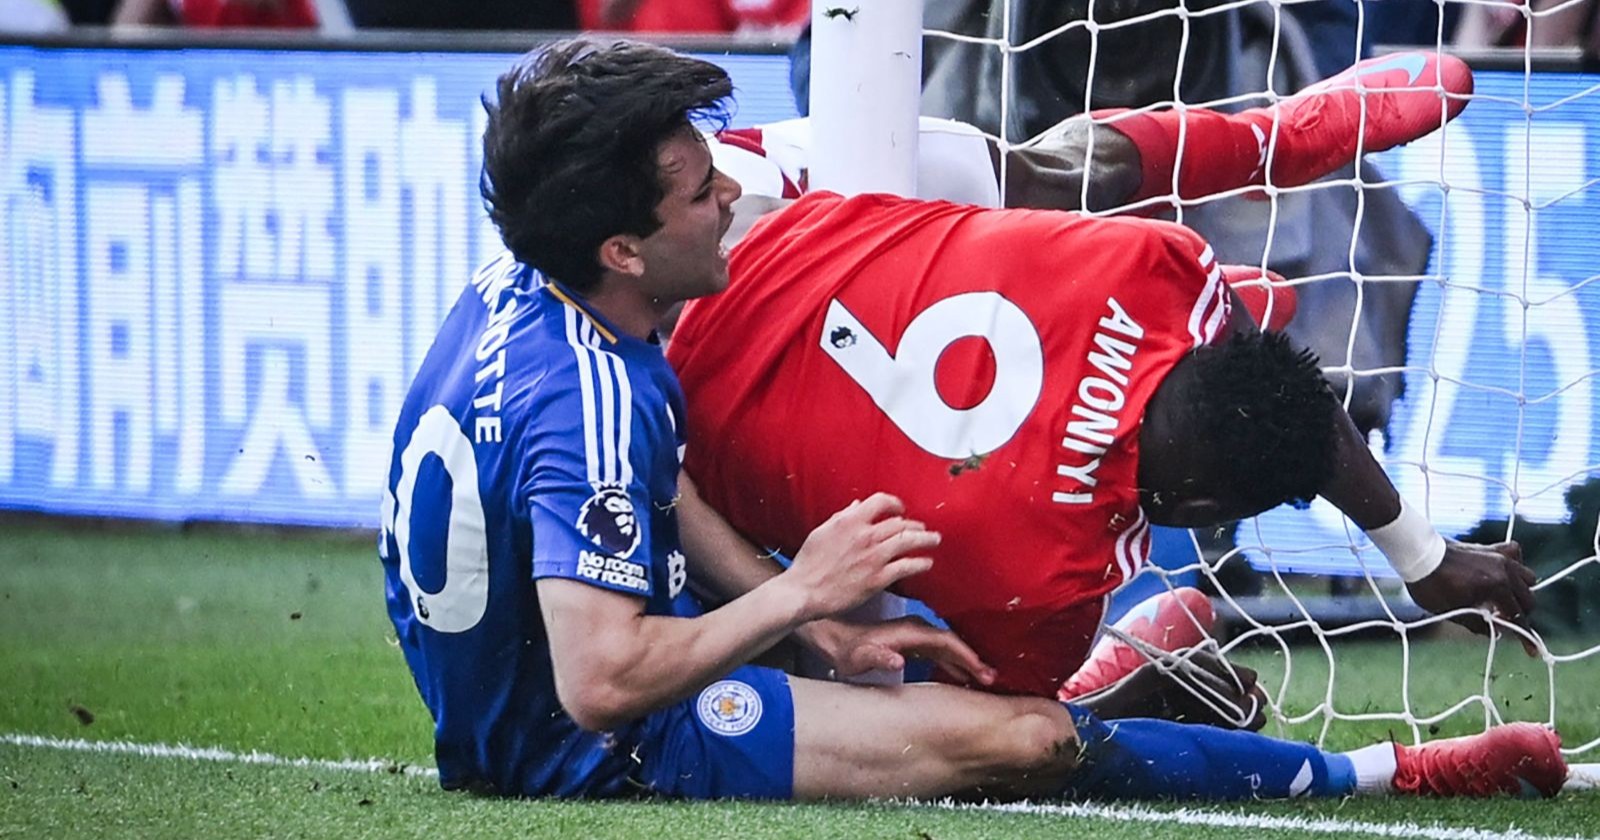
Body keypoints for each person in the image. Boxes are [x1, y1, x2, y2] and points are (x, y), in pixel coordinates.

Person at [378, 38, 1567, 804]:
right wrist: (797, 598)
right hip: (586, 734)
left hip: (795, 317)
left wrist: (816, 615)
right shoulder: (617, 387)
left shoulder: (548, 291)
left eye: (713, 165)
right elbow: (602, 677)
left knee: (1029, 177)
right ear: (625, 247)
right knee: (1022, 743)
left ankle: (1288, 138)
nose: (724, 190)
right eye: (701, 190)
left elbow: (647, 470)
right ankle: (1379, 769)